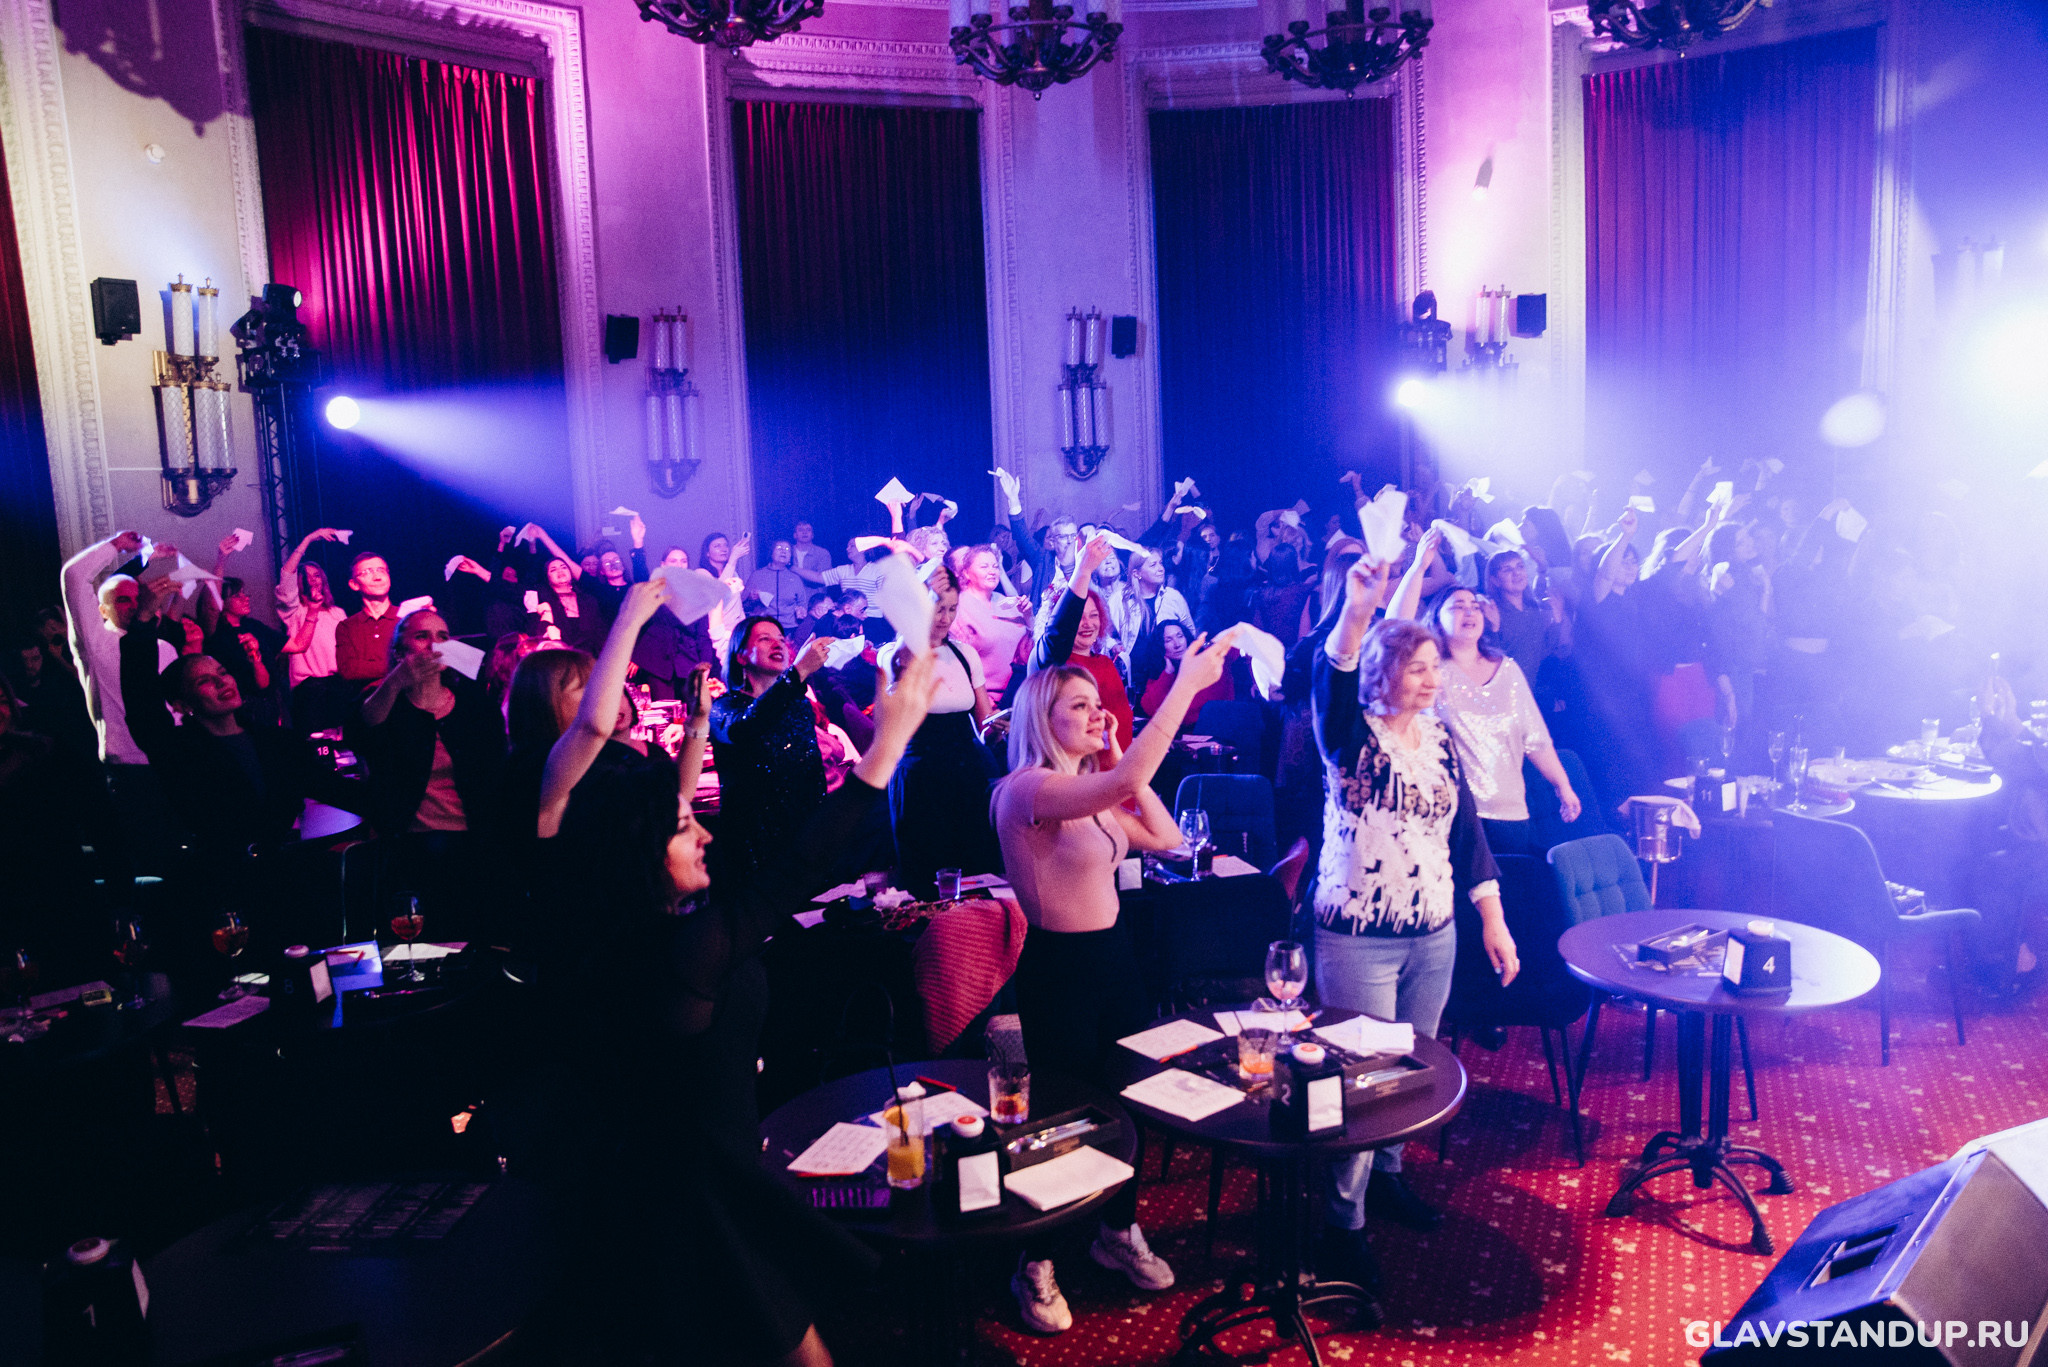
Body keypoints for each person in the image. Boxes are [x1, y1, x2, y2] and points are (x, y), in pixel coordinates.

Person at [990, 627, 1236, 1334]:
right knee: (1060, 1116)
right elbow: (1126, 788)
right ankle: (1035, 1260)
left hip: (1115, 961)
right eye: (1079, 704)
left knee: (1128, 1103)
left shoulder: (1091, 793)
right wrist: (1183, 687)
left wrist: (1117, 757)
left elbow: (1170, 839)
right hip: (1059, 972)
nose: (1096, 711)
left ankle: (1116, 1231)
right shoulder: (1027, 789)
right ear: (1042, 717)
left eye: (1098, 702)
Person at [1311, 569, 1518, 1309]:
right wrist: (1358, 606)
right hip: (1357, 934)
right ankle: (1341, 1223)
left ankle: (1389, 1177)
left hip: (1434, 930)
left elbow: (1468, 834)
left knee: (1409, 1070)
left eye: (1436, 666)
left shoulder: (1438, 738)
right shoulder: (1347, 734)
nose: (1434, 678)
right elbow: (1331, 673)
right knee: (1360, 1082)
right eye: (1419, 667)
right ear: (1384, 672)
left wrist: (1492, 917)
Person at [1418, 586, 1580, 857]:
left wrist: (1562, 785)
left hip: (1510, 814)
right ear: (1435, 619)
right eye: (1458, 606)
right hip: (1453, 814)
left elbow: (1536, 738)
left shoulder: (1508, 670)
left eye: (1475, 606)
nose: (1470, 612)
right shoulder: (1430, 674)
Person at [877, 567, 999, 895]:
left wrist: (999, 727)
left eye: (952, 609)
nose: (945, 619)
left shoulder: (965, 654)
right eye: (937, 608)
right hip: (920, 776)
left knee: (974, 870)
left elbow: (984, 722)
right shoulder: (894, 654)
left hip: (967, 773)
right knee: (925, 876)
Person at [708, 615, 836, 886]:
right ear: (741, 656)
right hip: (753, 843)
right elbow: (745, 727)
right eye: (765, 639)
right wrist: (798, 672)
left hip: (803, 838)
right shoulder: (724, 707)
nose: (778, 644)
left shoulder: (798, 705)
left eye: (781, 639)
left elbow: (813, 776)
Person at [356, 609, 506, 837]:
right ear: (399, 653)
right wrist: (395, 681)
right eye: (421, 636)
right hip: (407, 840)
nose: (434, 645)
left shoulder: (474, 706)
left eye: (442, 637)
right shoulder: (386, 705)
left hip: (473, 838)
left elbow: (496, 776)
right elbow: (360, 732)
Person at [59, 531, 178, 766]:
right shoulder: (96, 642)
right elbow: (74, 576)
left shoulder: (164, 647)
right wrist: (116, 544)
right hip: (129, 764)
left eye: (138, 598)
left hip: (174, 756)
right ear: (103, 611)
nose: (134, 605)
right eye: (123, 600)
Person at [1028, 535, 1135, 750]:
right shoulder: (1049, 659)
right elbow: (1059, 630)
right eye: (1079, 617)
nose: (1087, 624)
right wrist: (1083, 571)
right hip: (1069, 765)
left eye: (1094, 616)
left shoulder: (1105, 663)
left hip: (1114, 764)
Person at [950, 544, 1033, 701]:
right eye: (984, 566)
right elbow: (958, 669)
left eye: (995, 566)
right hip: (989, 702)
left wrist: (1028, 616)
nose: (992, 571)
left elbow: (1030, 645)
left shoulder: (1005, 601)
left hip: (1022, 695)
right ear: (966, 573)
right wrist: (985, 707)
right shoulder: (959, 608)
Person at [276, 527, 350, 689]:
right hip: (310, 686)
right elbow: (287, 574)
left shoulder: (337, 613)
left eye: (316, 575)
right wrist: (308, 539)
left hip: (339, 681)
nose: (312, 580)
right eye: (306, 576)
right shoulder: (294, 610)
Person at [1479, 548, 1567, 681]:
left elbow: (1542, 651)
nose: (1517, 573)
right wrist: (1493, 630)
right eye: (1507, 570)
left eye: (1520, 566)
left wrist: (1557, 621)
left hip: (1531, 688)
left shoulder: (1531, 609)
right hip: (1506, 688)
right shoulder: (1491, 612)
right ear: (1495, 580)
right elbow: (1489, 661)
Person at [1135, 618, 1229, 719]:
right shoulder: (1162, 671)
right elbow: (1149, 708)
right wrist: (1168, 673)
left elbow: (1192, 711)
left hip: (1209, 725)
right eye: (1168, 640)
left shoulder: (1207, 662)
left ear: (1186, 639)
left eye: (1180, 636)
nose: (1177, 644)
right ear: (1160, 646)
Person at [334, 551, 401, 683]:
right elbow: (348, 669)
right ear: (354, 584)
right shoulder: (346, 627)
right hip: (366, 695)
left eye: (381, 570)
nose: (377, 577)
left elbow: (428, 659)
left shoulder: (407, 617)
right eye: (367, 572)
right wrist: (399, 666)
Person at [745, 540, 809, 629]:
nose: (783, 551)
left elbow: (802, 603)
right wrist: (751, 598)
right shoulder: (757, 575)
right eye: (779, 548)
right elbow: (744, 604)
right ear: (771, 553)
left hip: (789, 628)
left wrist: (801, 610)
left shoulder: (795, 579)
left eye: (787, 549)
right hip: (764, 626)